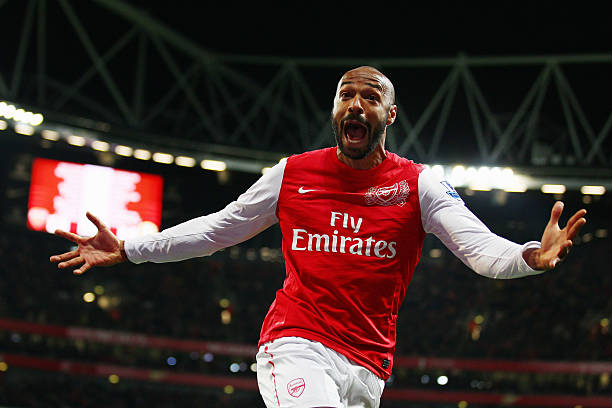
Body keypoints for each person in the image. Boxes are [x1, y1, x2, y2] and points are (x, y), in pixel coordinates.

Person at [50, 66, 587, 408]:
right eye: (345, 95)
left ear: (389, 115)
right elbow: (218, 229)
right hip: (297, 343)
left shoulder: (418, 185)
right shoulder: (293, 174)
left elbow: (478, 248)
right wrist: (131, 247)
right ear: (335, 111)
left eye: (370, 97)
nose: (356, 104)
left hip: (370, 368)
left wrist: (531, 256)